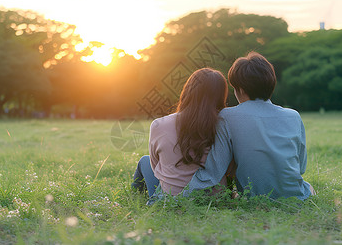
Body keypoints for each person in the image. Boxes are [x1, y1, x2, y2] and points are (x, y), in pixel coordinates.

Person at [183, 52, 314, 200]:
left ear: (241, 89)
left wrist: (178, 196)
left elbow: (213, 172)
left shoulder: (227, 117)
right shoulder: (293, 116)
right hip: (297, 197)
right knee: (309, 187)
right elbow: (301, 168)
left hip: (254, 198)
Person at [131, 68, 229, 197]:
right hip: (215, 198)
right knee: (145, 161)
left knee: (145, 161)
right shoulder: (226, 124)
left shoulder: (158, 124)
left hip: (173, 198)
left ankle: (133, 198)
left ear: (187, 91)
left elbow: (156, 166)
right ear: (221, 96)